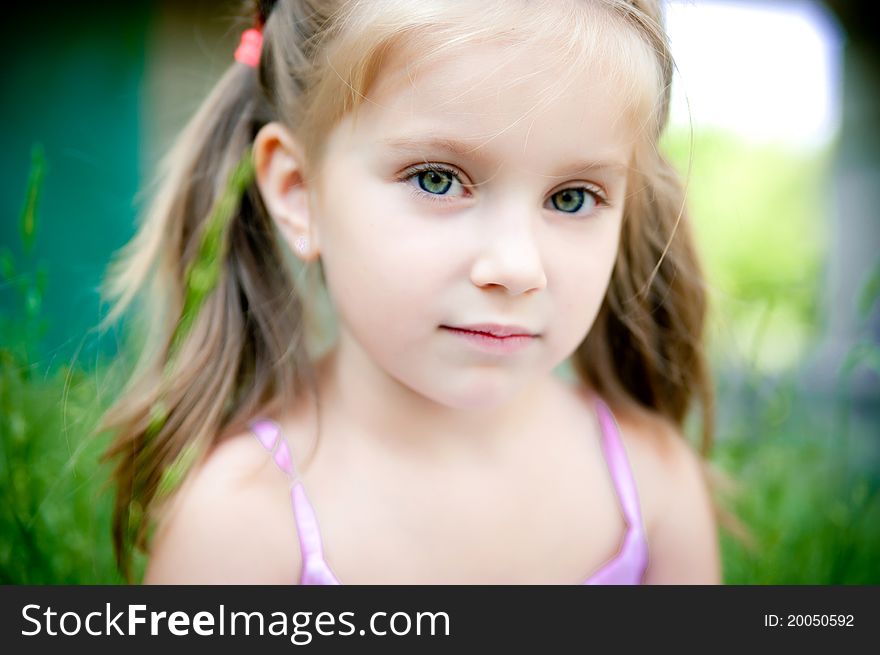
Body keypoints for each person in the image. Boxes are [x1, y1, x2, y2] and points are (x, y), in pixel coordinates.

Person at [96, 0, 730, 585]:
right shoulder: (240, 525)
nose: (516, 266)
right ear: (298, 191)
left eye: (572, 198)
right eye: (436, 179)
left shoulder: (652, 489)